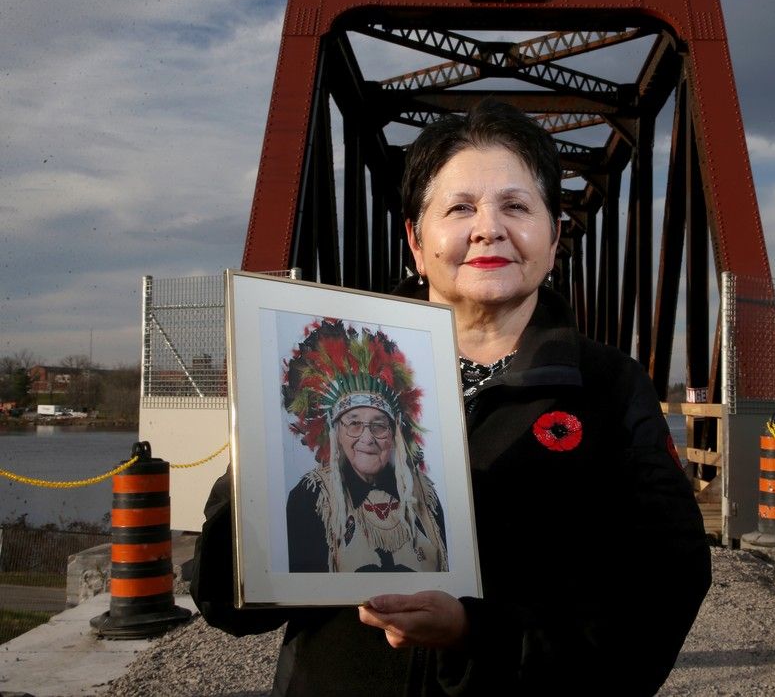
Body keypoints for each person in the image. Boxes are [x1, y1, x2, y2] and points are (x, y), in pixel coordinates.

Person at [191, 99, 711, 696]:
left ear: (554, 233)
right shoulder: (330, 381)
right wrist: (260, 474)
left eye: (516, 206)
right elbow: (224, 601)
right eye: (460, 207)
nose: (489, 228)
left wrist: (476, 632)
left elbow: (663, 589)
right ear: (415, 239)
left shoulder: (610, 388)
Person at [282, 319, 447, 573]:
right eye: (354, 424)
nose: (367, 438)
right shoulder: (312, 497)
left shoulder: (423, 494)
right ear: (337, 434)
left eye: (379, 426)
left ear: (394, 435)